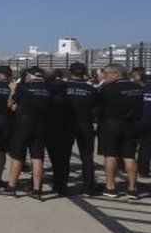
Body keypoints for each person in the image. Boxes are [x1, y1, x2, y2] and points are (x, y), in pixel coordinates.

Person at [6, 66, 52, 200]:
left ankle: (11, 187)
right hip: (41, 125)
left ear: (30, 76)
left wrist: (13, 89)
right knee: (37, 157)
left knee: (17, 156)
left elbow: (11, 104)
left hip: (23, 124)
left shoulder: (22, 87)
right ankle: (37, 189)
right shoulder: (48, 89)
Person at [97, 64, 143, 199]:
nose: (104, 77)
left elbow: (99, 107)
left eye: (106, 74)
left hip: (112, 123)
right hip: (132, 124)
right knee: (129, 156)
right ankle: (133, 188)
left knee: (110, 155)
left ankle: (110, 187)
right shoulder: (137, 88)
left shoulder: (108, 89)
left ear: (116, 74)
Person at [64, 62, 100, 194]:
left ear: (70, 72)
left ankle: (61, 184)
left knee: (64, 156)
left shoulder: (63, 87)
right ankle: (89, 186)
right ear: (84, 73)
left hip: (66, 124)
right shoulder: (92, 90)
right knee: (87, 157)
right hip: (85, 124)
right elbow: (97, 110)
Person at [44, 69, 74, 194]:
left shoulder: (46, 91)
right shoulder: (68, 92)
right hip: (67, 127)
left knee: (53, 157)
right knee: (65, 158)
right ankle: (62, 184)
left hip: (50, 126)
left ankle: (57, 182)